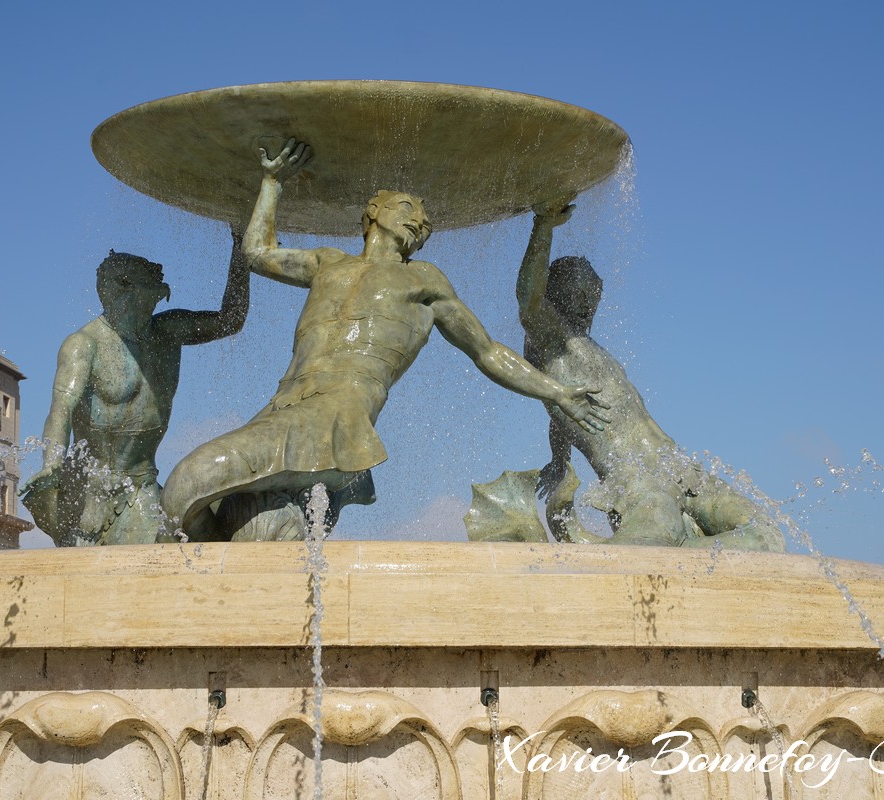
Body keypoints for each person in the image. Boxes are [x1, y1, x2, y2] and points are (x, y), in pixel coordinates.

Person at [162, 140, 611, 540]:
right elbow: (258, 252)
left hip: (337, 416)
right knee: (221, 521)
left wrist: (556, 392)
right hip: (283, 408)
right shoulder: (327, 262)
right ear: (374, 213)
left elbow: (488, 351)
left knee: (186, 484)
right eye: (409, 209)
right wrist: (272, 182)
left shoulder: (424, 280)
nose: (423, 221)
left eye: (426, 218)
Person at [516, 200, 784, 551]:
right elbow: (528, 301)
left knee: (766, 536)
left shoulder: (590, 349)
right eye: (579, 294)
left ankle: (680, 548)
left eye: (594, 296)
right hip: (635, 483)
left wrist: (559, 458)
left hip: (679, 468)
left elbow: (564, 414)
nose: (588, 304)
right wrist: (544, 226)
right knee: (647, 553)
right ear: (555, 293)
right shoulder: (554, 343)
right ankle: (658, 547)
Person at [21, 234, 251, 546]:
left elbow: (231, 320)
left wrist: (241, 251)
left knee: (218, 542)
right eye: (151, 283)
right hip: (98, 491)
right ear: (122, 288)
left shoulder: (170, 330)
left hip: (145, 484)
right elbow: (60, 411)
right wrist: (51, 464)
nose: (161, 289)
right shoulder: (84, 345)